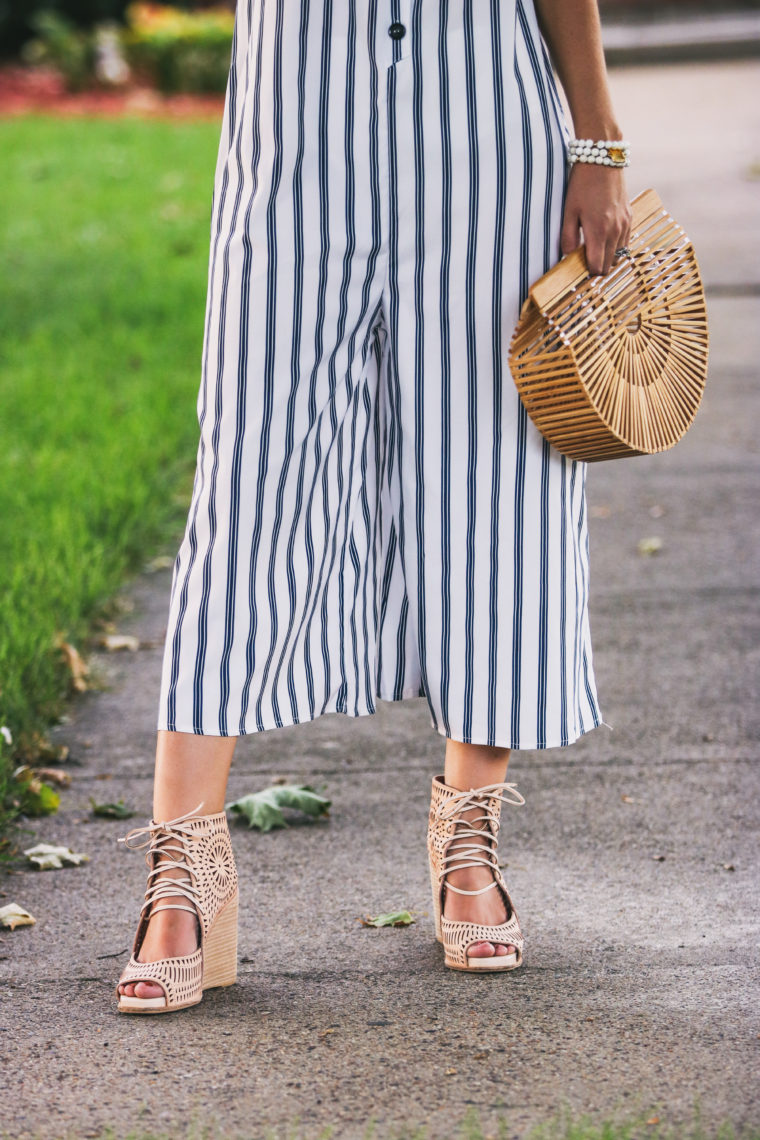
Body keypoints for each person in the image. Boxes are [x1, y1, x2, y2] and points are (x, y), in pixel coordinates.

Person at [117, 0, 631, 1012]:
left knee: (496, 475)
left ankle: (468, 839)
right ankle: (183, 871)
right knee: (249, 472)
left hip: (485, 115)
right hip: (301, 120)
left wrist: (596, 138)